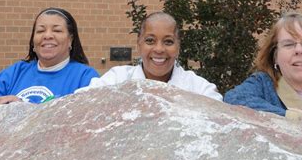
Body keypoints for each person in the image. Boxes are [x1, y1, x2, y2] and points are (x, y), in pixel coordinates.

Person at [0, 7, 99, 118]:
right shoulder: (15, 72)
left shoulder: (85, 77)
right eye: (40, 31)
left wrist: (24, 109)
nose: (47, 36)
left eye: (57, 30)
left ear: (70, 40)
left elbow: (87, 119)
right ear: (33, 42)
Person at [82, 12, 223, 101]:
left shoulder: (200, 89)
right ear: (139, 44)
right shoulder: (116, 80)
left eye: (168, 41)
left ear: (178, 46)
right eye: (150, 40)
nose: (159, 49)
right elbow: (81, 102)